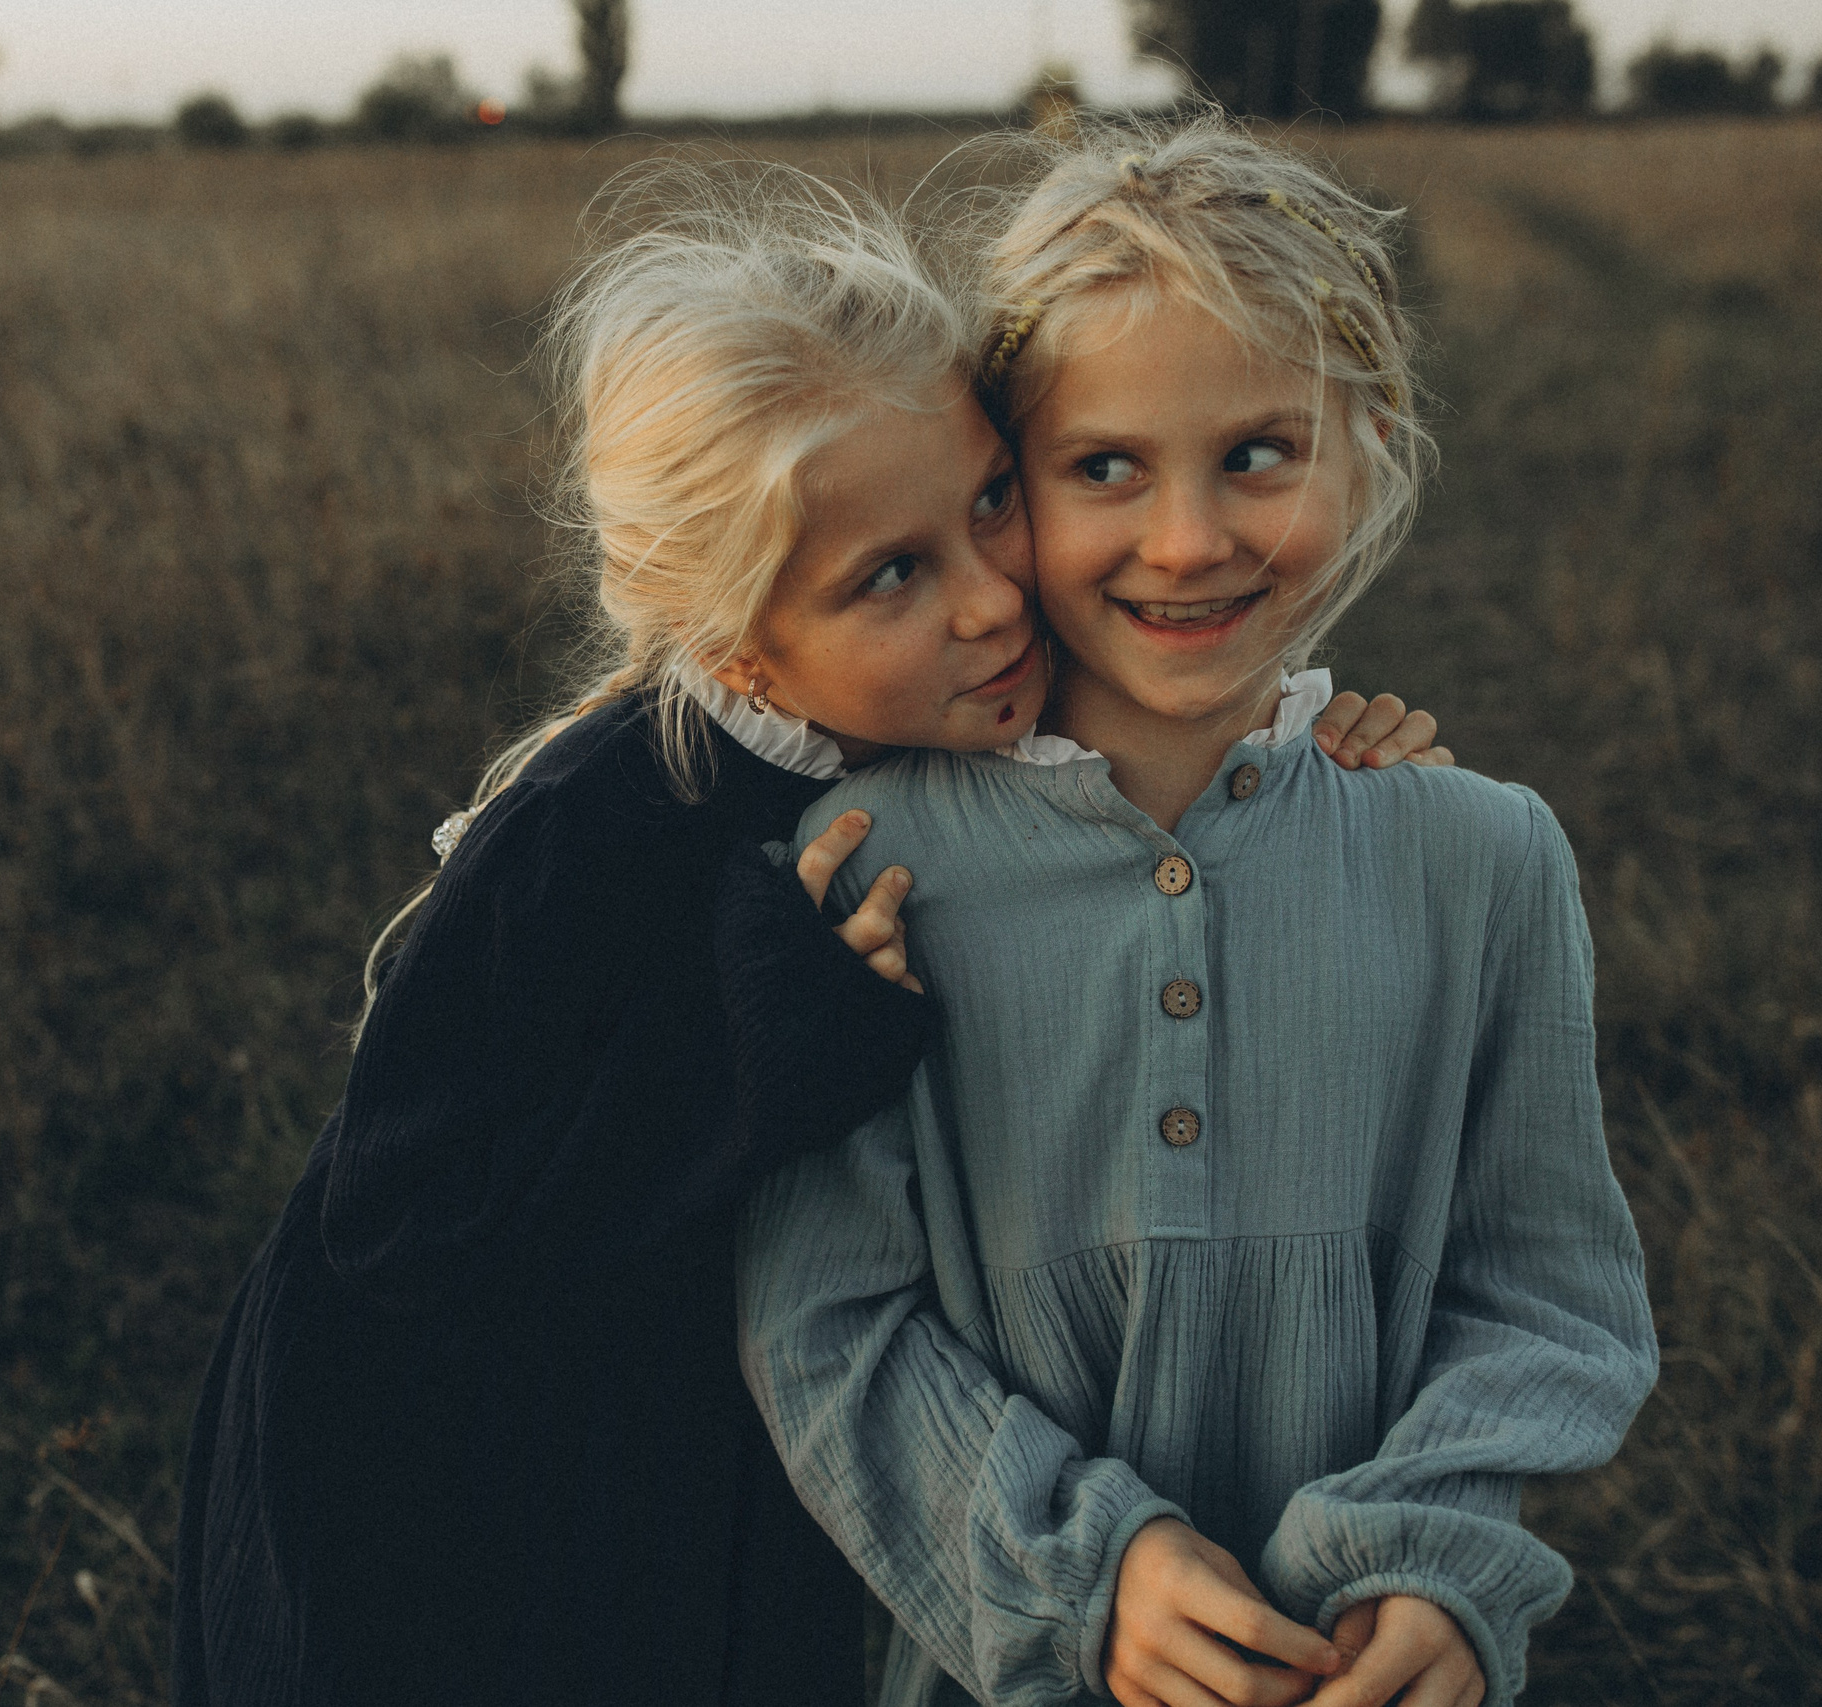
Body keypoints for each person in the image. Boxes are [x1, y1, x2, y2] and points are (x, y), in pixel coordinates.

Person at [171, 158, 1447, 1707]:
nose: (993, 600)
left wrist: (1330, 778)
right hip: (438, 1509)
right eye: (893, 573)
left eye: (988, 504)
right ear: (734, 644)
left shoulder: (908, 721)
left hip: (695, 1435)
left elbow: (1147, 793)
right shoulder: (590, 834)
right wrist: (753, 1053)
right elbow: (403, 1220)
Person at [736, 117, 1658, 1707]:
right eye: (1106, 468)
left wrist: (1434, 1561)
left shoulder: (1482, 859)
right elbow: (823, 1320)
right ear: (1005, 490)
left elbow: (1546, 1289)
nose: (1187, 540)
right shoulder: (865, 867)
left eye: (1260, 453)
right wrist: (1079, 1576)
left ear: (1369, 445)